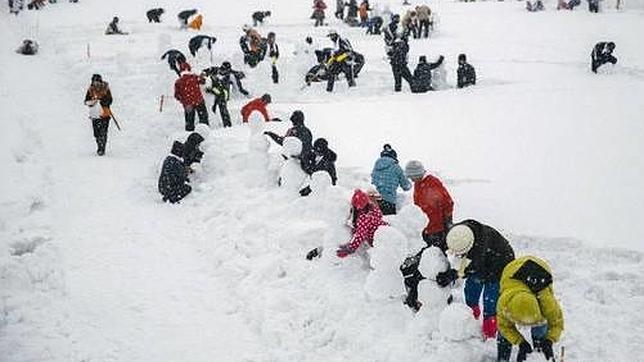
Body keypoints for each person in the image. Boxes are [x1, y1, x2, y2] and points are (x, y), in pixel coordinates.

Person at [435, 220, 516, 339]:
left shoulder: (479, 246)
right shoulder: (456, 233)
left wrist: (451, 275)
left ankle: (489, 333)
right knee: (470, 292)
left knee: (490, 301)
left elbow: (469, 268)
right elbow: (443, 245)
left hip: (500, 263)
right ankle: (471, 319)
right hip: (480, 260)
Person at [496, 256, 564, 362]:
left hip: (541, 270)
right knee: (503, 333)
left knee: (541, 328)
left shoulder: (545, 300)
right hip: (510, 272)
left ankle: (540, 348)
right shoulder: (504, 303)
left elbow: (557, 323)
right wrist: (520, 342)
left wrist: (549, 341)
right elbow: (504, 327)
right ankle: (502, 359)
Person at [404, 160, 453, 249]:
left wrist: (448, 221)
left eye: (412, 177)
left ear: (418, 174)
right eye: (410, 177)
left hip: (436, 229)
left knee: (438, 255)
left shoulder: (433, 183)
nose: (411, 179)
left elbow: (448, 202)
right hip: (424, 228)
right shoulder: (417, 184)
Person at [336, 189, 387, 257]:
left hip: (379, 241)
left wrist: (350, 249)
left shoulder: (363, 217)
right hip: (385, 232)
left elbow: (360, 235)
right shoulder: (373, 208)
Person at [371, 144, 411, 215]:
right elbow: (406, 186)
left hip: (374, 200)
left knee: (376, 223)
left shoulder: (376, 167)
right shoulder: (396, 167)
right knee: (389, 224)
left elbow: (373, 181)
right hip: (388, 201)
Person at [174, 62, 209, 131]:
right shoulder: (194, 77)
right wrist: (202, 76)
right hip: (199, 101)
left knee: (189, 121)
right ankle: (204, 131)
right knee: (203, 118)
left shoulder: (178, 81)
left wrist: (183, 100)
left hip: (188, 104)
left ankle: (189, 134)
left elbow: (177, 95)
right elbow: (203, 81)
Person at [84, 74, 113, 156]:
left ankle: (102, 148)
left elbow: (110, 100)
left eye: (97, 82)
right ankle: (99, 145)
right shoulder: (90, 90)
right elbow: (86, 101)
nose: (96, 84)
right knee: (96, 133)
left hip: (105, 114)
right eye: (94, 82)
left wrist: (102, 101)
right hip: (95, 115)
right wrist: (92, 102)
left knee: (103, 132)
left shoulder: (106, 89)